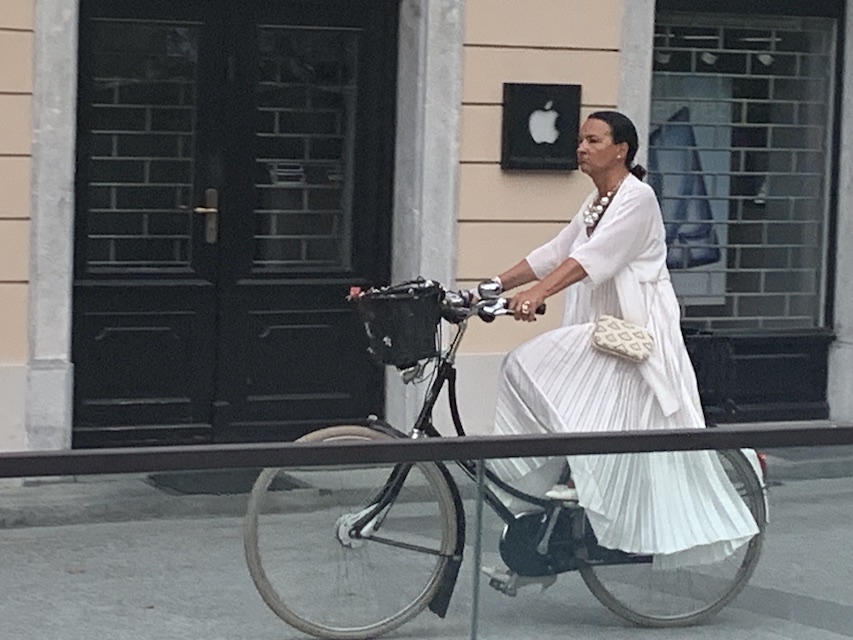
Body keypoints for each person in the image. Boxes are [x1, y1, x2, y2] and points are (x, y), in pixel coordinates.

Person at [484, 111, 760, 571]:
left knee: (531, 361)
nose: (582, 148)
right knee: (571, 396)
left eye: (593, 140)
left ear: (621, 150)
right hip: (607, 327)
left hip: (635, 331)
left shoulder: (637, 198)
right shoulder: (598, 201)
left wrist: (537, 293)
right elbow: (555, 251)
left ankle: (576, 475)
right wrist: (492, 286)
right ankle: (573, 479)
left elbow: (591, 258)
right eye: (580, 140)